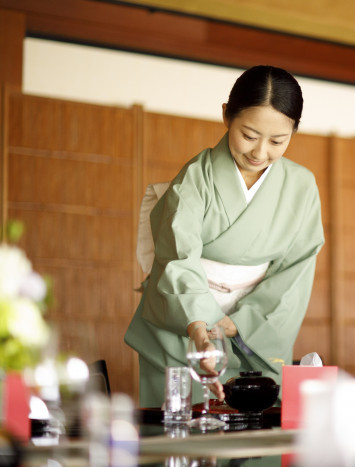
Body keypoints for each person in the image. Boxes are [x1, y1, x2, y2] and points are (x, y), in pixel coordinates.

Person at [124, 65, 325, 408]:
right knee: (182, 438)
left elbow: (297, 269)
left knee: (257, 437)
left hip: (256, 331)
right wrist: (202, 327)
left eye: (278, 141)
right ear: (226, 116)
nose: (260, 153)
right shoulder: (195, 178)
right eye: (249, 135)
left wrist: (241, 323)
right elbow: (177, 256)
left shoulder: (302, 186)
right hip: (185, 325)